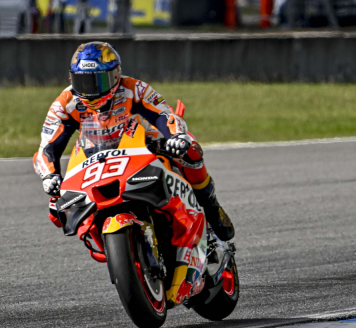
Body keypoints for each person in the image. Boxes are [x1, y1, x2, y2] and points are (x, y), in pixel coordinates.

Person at [33, 41, 235, 240]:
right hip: (97, 157)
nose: (91, 90)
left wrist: (176, 136)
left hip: (149, 146)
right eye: (83, 82)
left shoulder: (133, 88)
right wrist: (49, 176)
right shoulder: (65, 103)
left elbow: (163, 114)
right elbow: (47, 146)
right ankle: (98, 236)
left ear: (116, 75)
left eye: (99, 81)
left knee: (189, 150)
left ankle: (211, 206)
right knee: (56, 209)